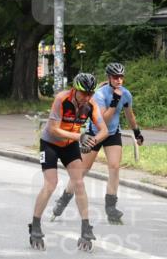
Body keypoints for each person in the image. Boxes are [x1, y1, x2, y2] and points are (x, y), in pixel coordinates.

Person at [51, 62, 144, 225]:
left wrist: (137, 132)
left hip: (113, 133)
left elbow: (130, 115)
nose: (119, 80)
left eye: (121, 77)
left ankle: (111, 207)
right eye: (115, 77)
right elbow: (103, 120)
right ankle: (63, 200)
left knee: (114, 167)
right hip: (96, 134)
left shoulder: (126, 94)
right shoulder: (99, 95)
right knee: (81, 172)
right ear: (109, 78)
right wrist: (114, 102)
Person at [30, 72, 108, 252]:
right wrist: (80, 136)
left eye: (90, 94)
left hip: (71, 144)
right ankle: (35, 225)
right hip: (50, 143)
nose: (87, 97)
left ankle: (86, 228)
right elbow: (53, 129)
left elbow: (104, 130)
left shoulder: (91, 105)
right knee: (51, 184)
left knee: (79, 182)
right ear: (75, 90)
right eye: (84, 93)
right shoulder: (61, 99)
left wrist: (92, 141)